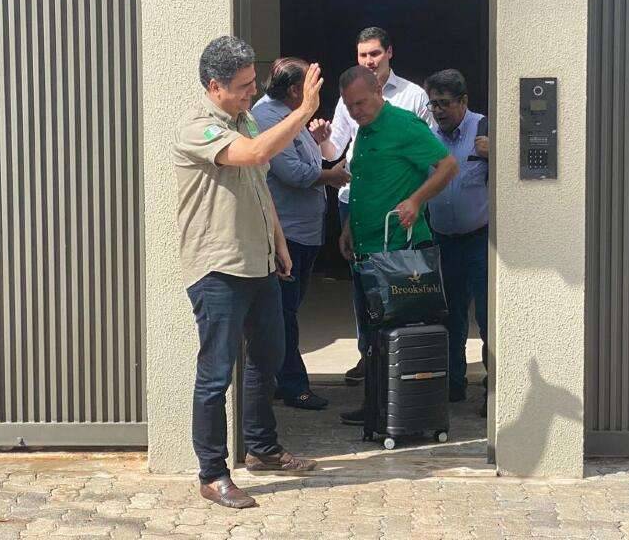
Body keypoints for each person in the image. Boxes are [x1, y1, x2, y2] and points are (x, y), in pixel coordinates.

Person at [171, 36, 322, 509]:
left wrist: (279, 243)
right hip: (218, 267)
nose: (252, 92)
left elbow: (259, 186)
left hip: (258, 262)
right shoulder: (198, 128)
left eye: (253, 82)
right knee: (216, 373)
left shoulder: (246, 119)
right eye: (242, 86)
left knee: (268, 357)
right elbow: (254, 155)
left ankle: (262, 448)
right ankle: (212, 473)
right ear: (214, 86)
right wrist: (304, 111)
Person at [309, 26, 434, 386]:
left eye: (375, 53)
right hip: (356, 202)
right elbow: (335, 152)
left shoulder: (413, 96)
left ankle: (402, 359)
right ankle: (369, 355)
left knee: (404, 285)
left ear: (389, 52)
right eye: (363, 55)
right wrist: (321, 142)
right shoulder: (349, 96)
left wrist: (414, 198)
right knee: (364, 285)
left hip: (399, 206)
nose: (369, 61)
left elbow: (430, 157)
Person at [336, 66, 458, 425]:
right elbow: (366, 183)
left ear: (378, 91)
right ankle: (376, 406)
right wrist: (349, 226)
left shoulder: (403, 124)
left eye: (360, 103)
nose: (355, 111)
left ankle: (403, 410)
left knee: (397, 335)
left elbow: (447, 166)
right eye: (349, 105)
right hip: (367, 248)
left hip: (398, 250)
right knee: (373, 334)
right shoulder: (365, 130)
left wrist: (416, 200)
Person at [252, 58, 351, 411]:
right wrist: (330, 176)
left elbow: (302, 158)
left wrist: (316, 141)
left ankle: (281, 379)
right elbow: (292, 171)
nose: (315, 94)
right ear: (295, 89)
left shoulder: (289, 114)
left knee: (288, 309)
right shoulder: (267, 117)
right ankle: (293, 385)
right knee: (284, 314)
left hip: (305, 231)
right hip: (288, 234)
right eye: (311, 87)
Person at [424, 69, 489, 416]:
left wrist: (496, 153)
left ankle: (494, 389)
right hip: (443, 241)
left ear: (463, 101)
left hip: (480, 241)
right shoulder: (428, 138)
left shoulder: (484, 129)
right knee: (450, 316)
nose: (438, 111)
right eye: (433, 104)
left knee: (488, 317)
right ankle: (453, 383)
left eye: (444, 103)